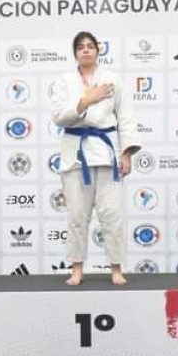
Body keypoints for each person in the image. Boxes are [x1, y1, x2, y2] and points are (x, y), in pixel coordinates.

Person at [49, 31, 141, 286]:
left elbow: (125, 117)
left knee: (112, 214)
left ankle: (116, 267)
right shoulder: (64, 81)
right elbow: (59, 117)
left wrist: (126, 153)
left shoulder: (112, 80)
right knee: (77, 216)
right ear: (75, 53)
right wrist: (86, 101)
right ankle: (77, 268)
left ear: (98, 51)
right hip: (75, 155)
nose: (86, 50)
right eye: (81, 47)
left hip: (106, 153)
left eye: (90, 46)